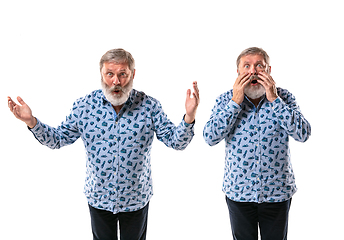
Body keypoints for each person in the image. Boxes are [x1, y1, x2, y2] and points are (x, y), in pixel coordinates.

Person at [7, 48, 200, 240]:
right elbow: (58, 139)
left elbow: (176, 142)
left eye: (122, 74)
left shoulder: (149, 106)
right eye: (110, 74)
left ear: (133, 74)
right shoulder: (84, 106)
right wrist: (31, 121)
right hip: (98, 198)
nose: (116, 81)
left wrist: (189, 116)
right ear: (101, 74)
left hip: (135, 200)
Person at [203, 47, 311, 240]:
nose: (252, 71)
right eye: (247, 66)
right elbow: (210, 137)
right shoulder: (224, 100)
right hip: (238, 193)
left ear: (269, 70)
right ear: (238, 72)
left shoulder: (285, 98)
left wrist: (274, 99)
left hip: (277, 194)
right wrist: (235, 103)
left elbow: (303, 134)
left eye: (259, 66)